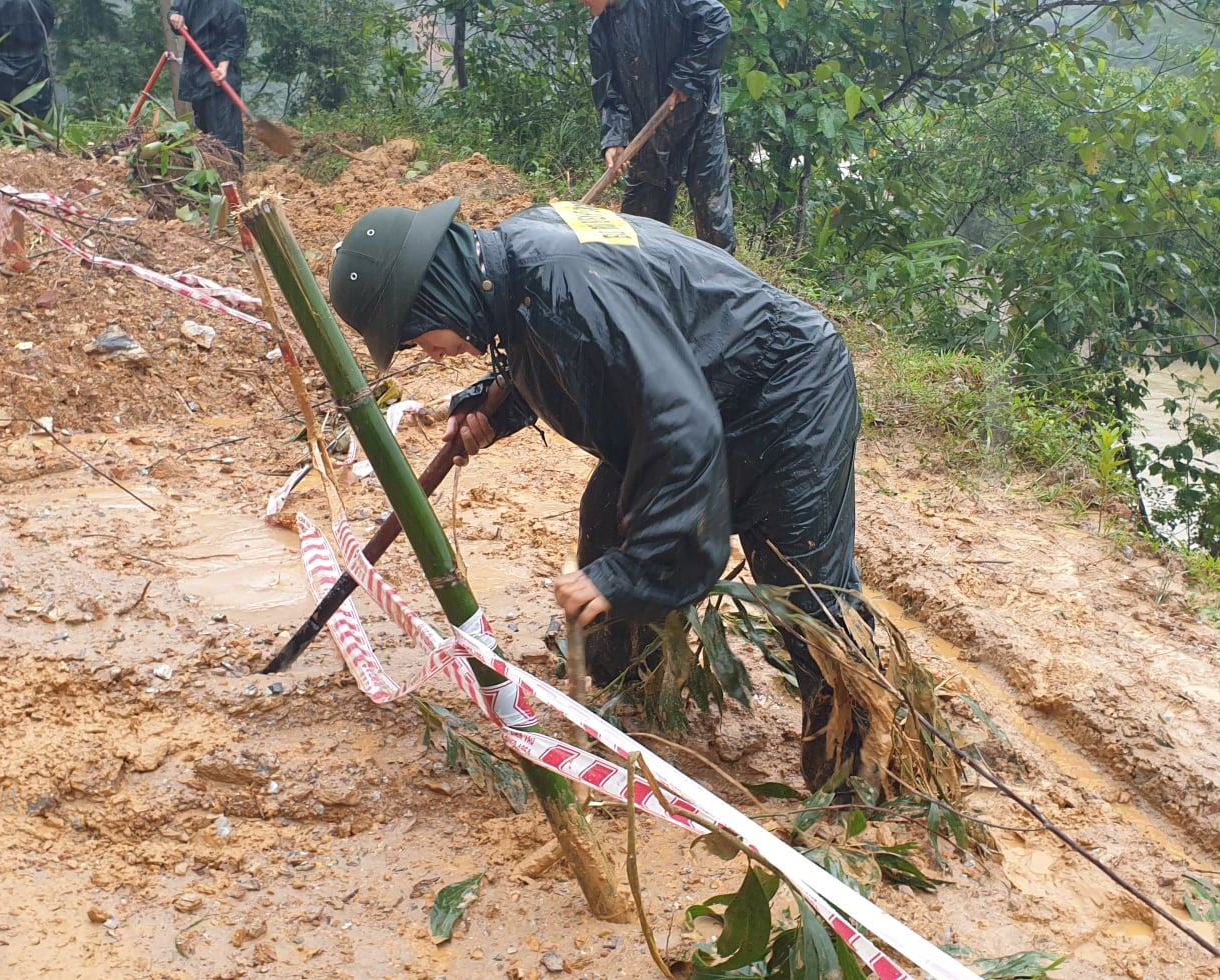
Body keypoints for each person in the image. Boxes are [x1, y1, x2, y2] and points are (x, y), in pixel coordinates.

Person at [329, 198, 870, 790]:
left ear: (433, 291)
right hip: (703, 387)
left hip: (785, 390)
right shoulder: (520, 267)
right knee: (608, 517)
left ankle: (858, 783)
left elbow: (677, 424)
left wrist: (637, 571)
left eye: (415, 337)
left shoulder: (562, 282)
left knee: (806, 595)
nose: (429, 353)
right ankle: (632, 702)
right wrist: (490, 405)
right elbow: (582, 357)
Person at [585, 0, 736, 252]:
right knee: (638, 228)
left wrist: (686, 76)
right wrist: (615, 138)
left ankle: (720, 285)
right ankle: (640, 286)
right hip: (649, 133)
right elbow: (609, 91)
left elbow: (717, 20)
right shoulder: (601, 31)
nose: (582, 2)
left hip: (698, 121)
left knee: (713, 218)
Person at [168, 0, 247, 161]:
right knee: (204, 136)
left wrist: (223, 66)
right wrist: (174, 17)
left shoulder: (231, 5)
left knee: (225, 137)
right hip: (196, 75)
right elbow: (175, 12)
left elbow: (235, 41)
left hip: (221, 79)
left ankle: (232, 179)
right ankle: (210, 179)